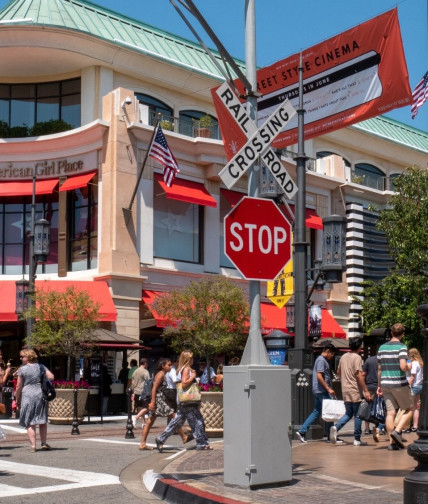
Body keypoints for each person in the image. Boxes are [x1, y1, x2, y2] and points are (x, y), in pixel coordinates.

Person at [155, 350, 212, 452]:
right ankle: (202, 443)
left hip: (183, 400)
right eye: (191, 358)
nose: (193, 360)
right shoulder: (186, 369)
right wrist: (193, 376)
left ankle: (161, 439)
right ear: (187, 359)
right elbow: (184, 383)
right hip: (188, 400)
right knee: (197, 421)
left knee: (177, 422)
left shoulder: (181, 369)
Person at [138, 358, 191, 451]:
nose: (170, 367)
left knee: (150, 422)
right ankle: (183, 437)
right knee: (175, 417)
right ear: (163, 366)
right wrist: (153, 402)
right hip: (159, 402)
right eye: (168, 365)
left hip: (158, 401)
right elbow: (154, 389)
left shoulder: (163, 374)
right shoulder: (161, 374)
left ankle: (142, 443)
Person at [377, 323, 413, 451]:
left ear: (391, 333)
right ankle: (397, 431)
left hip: (385, 384)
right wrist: (409, 366)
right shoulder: (402, 347)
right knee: (410, 408)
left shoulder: (381, 348)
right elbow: (403, 366)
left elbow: (379, 369)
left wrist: (379, 385)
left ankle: (392, 443)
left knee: (390, 413)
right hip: (399, 383)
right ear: (402, 334)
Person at [330, 336, 371, 446]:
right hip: (354, 389)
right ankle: (357, 439)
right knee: (358, 415)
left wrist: (345, 378)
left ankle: (336, 427)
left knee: (348, 413)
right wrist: (365, 390)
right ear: (359, 346)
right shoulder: (357, 357)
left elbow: (338, 372)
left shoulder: (343, 357)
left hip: (345, 389)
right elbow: (359, 375)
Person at [296, 343, 337, 443]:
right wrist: (328, 389)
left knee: (317, 411)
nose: (332, 356)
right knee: (329, 412)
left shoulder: (321, 360)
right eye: (332, 354)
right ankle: (330, 436)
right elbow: (319, 376)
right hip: (322, 390)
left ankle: (302, 431)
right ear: (327, 351)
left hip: (318, 390)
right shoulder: (321, 360)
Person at [15, 349, 54, 452]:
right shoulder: (41, 366)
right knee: (42, 419)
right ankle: (43, 443)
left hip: (27, 395)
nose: (20, 358)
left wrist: (17, 398)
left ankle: (33, 446)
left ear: (28, 357)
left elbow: (19, 386)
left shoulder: (22, 369)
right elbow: (51, 377)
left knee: (30, 421)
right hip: (40, 394)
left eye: (22, 356)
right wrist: (41, 379)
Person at [362, 354, 386, 440]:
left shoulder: (368, 360)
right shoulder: (383, 360)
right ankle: (379, 427)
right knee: (380, 407)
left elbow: (363, 374)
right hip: (381, 386)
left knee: (368, 407)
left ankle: (367, 428)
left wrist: (364, 387)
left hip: (369, 386)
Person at [407, 348, 423, 432]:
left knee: (409, 407)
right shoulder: (420, 363)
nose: (408, 356)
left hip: (414, 387)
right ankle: (415, 425)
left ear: (411, 355)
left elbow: (412, 377)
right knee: (415, 407)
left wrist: (408, 386)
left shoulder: (414, 364)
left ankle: (406, 426)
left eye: (409, 354)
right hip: (419, 386)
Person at [131, 358, 150, 428]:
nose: (147, 365)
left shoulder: (135, 371)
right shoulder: (145, 372)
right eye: (147, 363)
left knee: (139, 407)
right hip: (143, 392)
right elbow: (148, 382)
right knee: (147, 407)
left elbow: (132, 382)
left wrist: (133, 392)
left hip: (136, 391)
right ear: (145, 363)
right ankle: (136, 418)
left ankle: (143, 422)